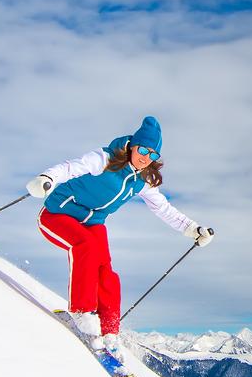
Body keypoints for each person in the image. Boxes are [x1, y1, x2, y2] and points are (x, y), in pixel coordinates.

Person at [26, 116, 213, 350]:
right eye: (143, 149)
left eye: (153, 154)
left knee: (105, 269)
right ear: (133, 145)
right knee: (85, 246)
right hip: (57, 214)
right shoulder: (104, 159)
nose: (146, 157)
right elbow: (71, 168)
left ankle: (109, 330)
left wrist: (192, 229)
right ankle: (81, 312)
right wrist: (47, 178)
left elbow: (163, 208)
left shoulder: (142, 180)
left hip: (92, 222)